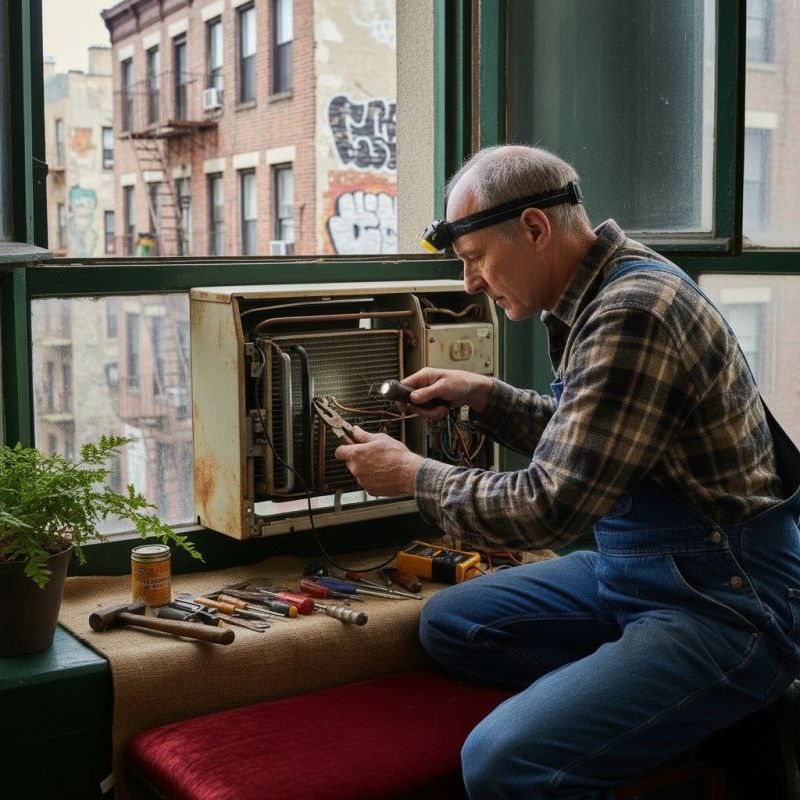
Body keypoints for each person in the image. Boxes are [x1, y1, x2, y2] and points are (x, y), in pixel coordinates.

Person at [334, 145, 800, 799]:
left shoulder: (630, 313)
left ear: (533, 227)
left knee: (503, 762)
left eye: (474, 259)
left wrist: (414, 475)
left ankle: (723, 687)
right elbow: (591, 438)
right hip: (637, 570)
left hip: (721, 599)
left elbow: (548, 506)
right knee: (454, 626)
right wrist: (483, 395)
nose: (470, 283)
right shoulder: (610, 283)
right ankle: (674, 703)